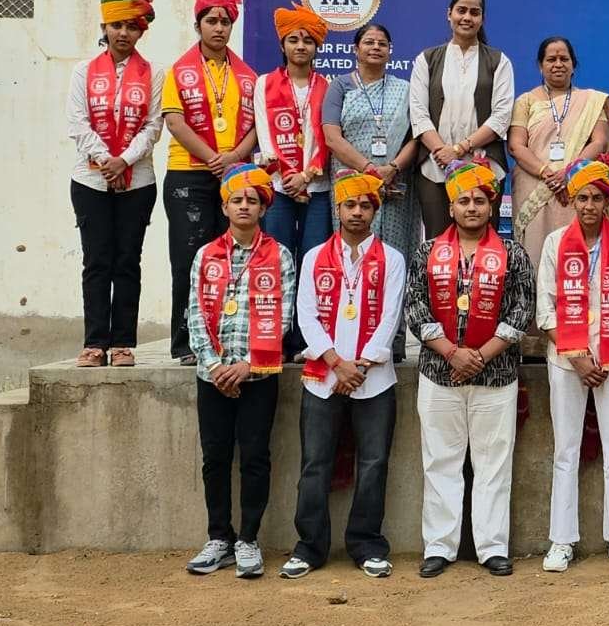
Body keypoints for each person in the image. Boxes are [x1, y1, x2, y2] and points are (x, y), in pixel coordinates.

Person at [405, 161, 533, 579]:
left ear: (492, 206)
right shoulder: (427, 252)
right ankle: (439, 547)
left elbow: (522, 309)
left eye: (480, 200)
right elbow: (415, 307)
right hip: (439, 373)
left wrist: (480, 355)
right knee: (439, 462)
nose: (472, 207)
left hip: (496, 375)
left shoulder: (513, 254)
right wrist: (451, 353)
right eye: (464, 200)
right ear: (451, 206)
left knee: (493, 464)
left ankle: (491, 547)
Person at [280, 171, 406, 581]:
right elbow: (306, 316)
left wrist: (361, 366)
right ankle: (309, 547)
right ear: (337, 209)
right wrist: (338, 363)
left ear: (375, 211)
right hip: (324, 376)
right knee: (314, 464)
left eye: (365, 205)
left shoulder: (392, 259)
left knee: (374, 463)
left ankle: (367, 544)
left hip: (374, 378)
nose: (357, 212)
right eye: (349, 205)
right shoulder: (315, 257)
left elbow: (390, 318)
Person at [183, 164, 295, 580]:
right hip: (212, 377)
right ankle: (219, 538)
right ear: (224, 207)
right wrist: (215, 366)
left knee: (255, 457)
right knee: (214, 458)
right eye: (237, 200)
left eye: (253, 200)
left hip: (258, 375)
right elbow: (194, 313)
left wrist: (247, 365)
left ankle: (248, 539)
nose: (244, 206)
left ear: (264, 208)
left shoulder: (280, 256)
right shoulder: (205, 255)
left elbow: (283, 317)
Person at [537, 155, 609, 573]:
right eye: (582, 197)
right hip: (567, 362)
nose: (589, 206)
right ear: (572, 200)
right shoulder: (554, 244)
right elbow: (546, 310)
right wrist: (579, 357)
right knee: (566, 450)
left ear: (608, 201)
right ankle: (561, 541)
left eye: (597, 198)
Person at [163, 0, 259, 366]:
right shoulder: (179, 70)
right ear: (197, 24)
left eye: (225, 21)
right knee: (189, 258)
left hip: (235, 175)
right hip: (188, 175)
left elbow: (258, 125)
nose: (218, 28)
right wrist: (212, 158)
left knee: (231, 259)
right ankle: (185, 342)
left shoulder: (248, 75)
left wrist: (233, 157)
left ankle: (225, 338)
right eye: (211, 21)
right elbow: (174, 122)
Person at [67, 0, 164, 367]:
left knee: (127, 261)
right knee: (96, 261)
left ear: (141, 31)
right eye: (117, 25)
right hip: (90, 181)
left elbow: (153, 126)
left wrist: (124, 160)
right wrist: (106, 160)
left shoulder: (153, 73)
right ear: (104, 27)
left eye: (132, 27)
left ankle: (123, 343)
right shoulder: (82, 71)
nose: (124, 33)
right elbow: (77, 123)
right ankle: (94, 343)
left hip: (137, 181)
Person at [322, 23, 421, 321]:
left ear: (390, 51)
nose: (376, 47)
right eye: (369, 42)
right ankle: (350, 325)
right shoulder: (340, 86)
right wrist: (368, 170)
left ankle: (394, 334)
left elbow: (416, 137)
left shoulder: (405, 90)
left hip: (395, 183)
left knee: (394, 255)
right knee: (352, 253)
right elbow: (332, 137)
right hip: (351, 183)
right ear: (356, 49)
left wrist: (393, 167)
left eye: (382, 43)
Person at [255, 4, 333, 360]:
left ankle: (306, 340)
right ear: (282, 45)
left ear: (317, 47)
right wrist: (287, 176)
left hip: (318, 188)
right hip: (278, 189)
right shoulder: (264, 84)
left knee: (313, 263)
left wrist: (307, 175)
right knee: (278, 262)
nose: (301, 46)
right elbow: (264, 133)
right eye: (293, 40)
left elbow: (328, 136)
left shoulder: (327, 86)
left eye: (307, 40)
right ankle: (277, 338)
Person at [408, 0, 515, 239]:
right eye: (461, 11)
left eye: (474, 13)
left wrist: (458, 150)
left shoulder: (499, 61)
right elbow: (418, 113)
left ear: (482, 19)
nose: (467, 17)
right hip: (435, 168)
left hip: (484, 165)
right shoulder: (427, 59)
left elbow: (501, 116)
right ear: (449, 14)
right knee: (438, 242)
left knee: (484, 244)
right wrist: (442, 152)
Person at [508, 36, 609, 261]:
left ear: (573, 65)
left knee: (578, 255)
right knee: (535, 252)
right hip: (534, 184)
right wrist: (547, 173)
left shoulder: (591, 100)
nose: (558, 64)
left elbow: (600, 142)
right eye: (551, 59)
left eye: (564, 59)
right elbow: (516, 145)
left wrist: (569, 173)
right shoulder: (525, 101)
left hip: (578, 185)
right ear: (540, 65)